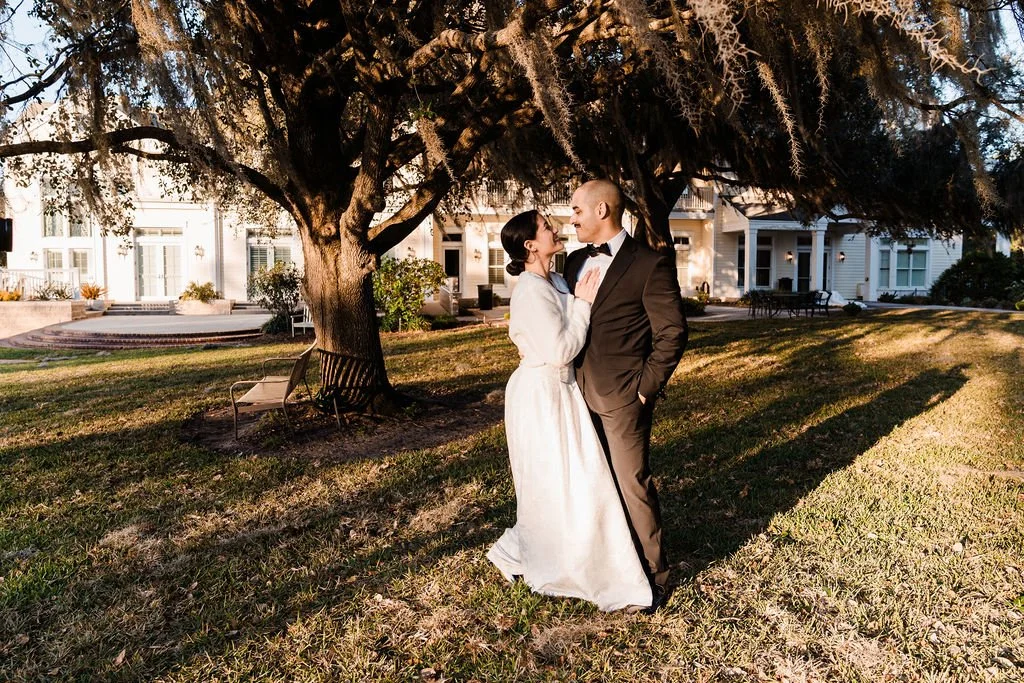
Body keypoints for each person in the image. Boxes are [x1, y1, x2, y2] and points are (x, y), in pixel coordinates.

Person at [486, 209, 653, 612]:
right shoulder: (529, 290)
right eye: (547, 227)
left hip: (565, 392)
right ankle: (556, 559)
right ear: (530, 245)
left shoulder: (557, 279)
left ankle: (580, 552)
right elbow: (560, 349)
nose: (556, 228)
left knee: (577, 478)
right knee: (554, 480)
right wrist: (581, 304)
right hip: (540, 395)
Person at [564, 179, 688, 610]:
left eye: (577, 209)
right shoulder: (573, 261)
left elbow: (672, 333)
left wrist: (644, 389)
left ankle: (655, 575)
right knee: (590, 484)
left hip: (623, 397)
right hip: (573, 396)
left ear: (602, 211)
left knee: (632, 483)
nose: (572, 217)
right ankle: (604, 565)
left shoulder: (649, 264)